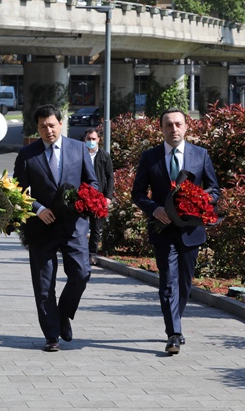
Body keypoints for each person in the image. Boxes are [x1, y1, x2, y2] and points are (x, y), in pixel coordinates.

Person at [131, 108, 219, 355]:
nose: (174, 129)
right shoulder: (150, 157)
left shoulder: (200, 155)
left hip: (191, 230)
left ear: (186, 127)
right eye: (169, 125)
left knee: (184, 283)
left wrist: (199, 199)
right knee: (168, 281)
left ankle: (175, 323)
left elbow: (214, 190)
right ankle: (174, 334)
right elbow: (137, 193)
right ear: (162, 129)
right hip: (163, 229)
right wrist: (154, 208)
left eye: (178, 124)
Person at [13, 104, 98, 352]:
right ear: (37, 128)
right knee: (43, 285)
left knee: (81, 274)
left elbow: (91, 182)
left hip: (73, 225)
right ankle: (51, 335)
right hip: (42, 228)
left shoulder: (79, 149)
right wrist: (39, 209)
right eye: (42, 126)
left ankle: (63, 315)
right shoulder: (27, 154)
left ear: (61, 124)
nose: (48, 130)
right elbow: (18, 191)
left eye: (52, 125)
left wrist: (80, 200)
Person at [83, 129, 114, 265]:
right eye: (89, 138)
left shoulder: (104, 156)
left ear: (98, 140)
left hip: (99, 197)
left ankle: (92, 254)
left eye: (93, 139)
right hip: (83, 195)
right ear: (85, 139)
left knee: (96, 227)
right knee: (81, 226)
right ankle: (80, 252)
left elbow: (110, 177)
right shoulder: (80, 154)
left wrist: (108, 196)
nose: (91, 141)